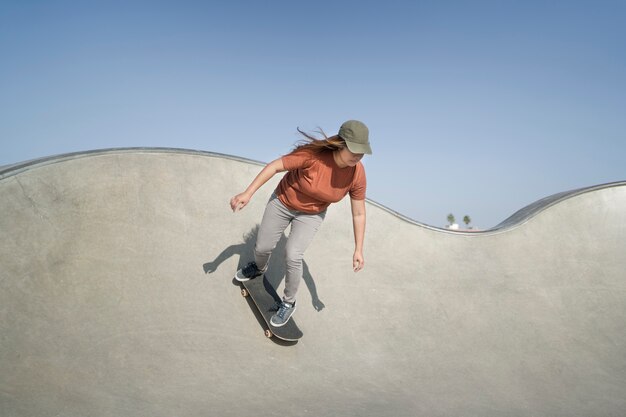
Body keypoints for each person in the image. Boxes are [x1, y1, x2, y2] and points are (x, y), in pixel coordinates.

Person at [230, 120, 372, 327]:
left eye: (362, 152)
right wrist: (248, 193)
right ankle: (259, 268)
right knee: (263, 247)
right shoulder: (312, 156)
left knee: (293, 254)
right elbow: (275, 167)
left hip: (312, 214)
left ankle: (288, 303)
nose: (358, 156)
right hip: (283, 202)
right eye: (354, 150)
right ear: (341, 144)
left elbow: (358, 213)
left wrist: (359, 249)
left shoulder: (357, 173)